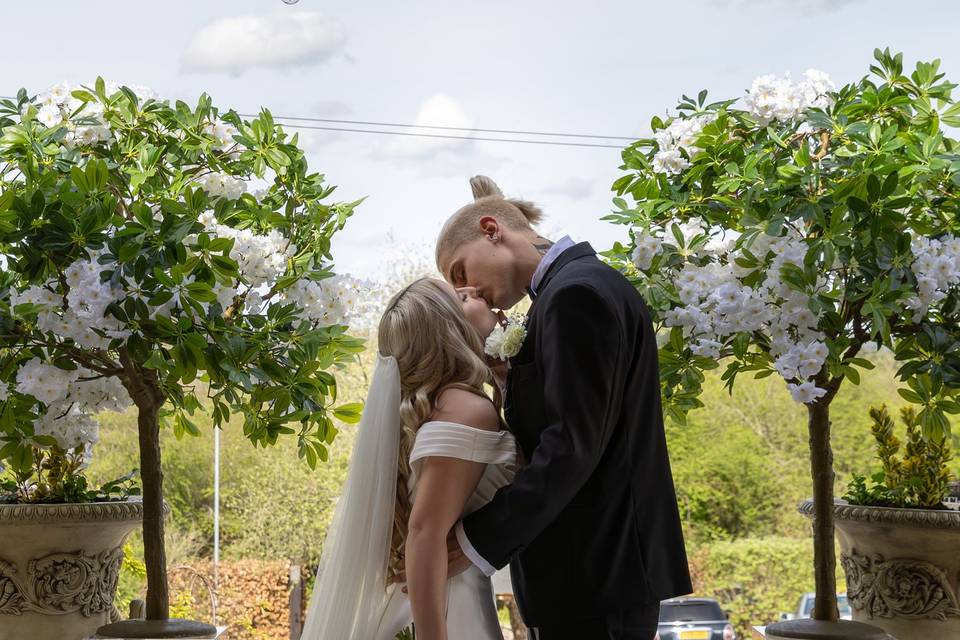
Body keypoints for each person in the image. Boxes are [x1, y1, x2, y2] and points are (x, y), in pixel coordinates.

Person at [431, 175, 693, 640]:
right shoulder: (571, 290)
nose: (466, 290)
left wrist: (477, 540)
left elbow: (571, 446)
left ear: (491, 229)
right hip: (593, 580)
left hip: (597, 577)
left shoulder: (575, 296)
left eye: (459, 272)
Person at [300, 277, 518, 640]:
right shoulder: (465, 408)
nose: (474, 293)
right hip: (457, 614)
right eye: (460, 298)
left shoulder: (444, 406)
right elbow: (423, 533)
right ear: (448, 328)